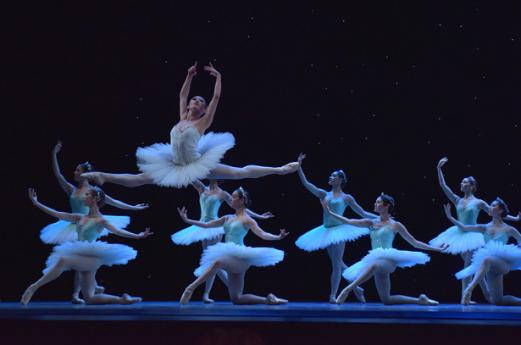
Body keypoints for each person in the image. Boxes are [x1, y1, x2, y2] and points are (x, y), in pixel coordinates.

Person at [81, 63, 298, 188]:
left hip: (195, 164)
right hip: (174, 164)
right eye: (195, 100)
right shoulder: (181, 118)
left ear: (203, 110)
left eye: (200, 102)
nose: (196, 101)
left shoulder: (203, 121)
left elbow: (216, 97)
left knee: (238, 173)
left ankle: (279, 170)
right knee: (142, 178)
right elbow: (182, 94)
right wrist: (189, 75)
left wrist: (219, 77)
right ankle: (103, 176)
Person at [21, 188, 153, 305]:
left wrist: (137, 235)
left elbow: (118, 231)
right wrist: (36, 203)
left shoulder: (101, 221)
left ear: (95, 199)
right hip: (84, 258)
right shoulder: (79, 217)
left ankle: (33, 287)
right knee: (89, 299)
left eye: (87, 195)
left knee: (63, 260)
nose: (84, 197)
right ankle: (122, 299)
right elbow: (56, 213)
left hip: (92, 258)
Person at [325, 194, 445, 305]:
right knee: (386, 299)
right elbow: (349, 221)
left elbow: (414, 242)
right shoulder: (371, 222)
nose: (375, 204)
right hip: (375, 259)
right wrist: (330, 213)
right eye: (375, 202)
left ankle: (348, 289)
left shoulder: (395, 225)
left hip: (389, 260)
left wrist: (436, 249)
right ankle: (420, 300)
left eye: (378, 202)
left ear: (386, 206)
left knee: (375, 265)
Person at [430, 157, 519, 303]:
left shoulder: (479, 202)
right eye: (462, 182)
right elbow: (443, 186)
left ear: (472, 186)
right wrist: (438, 169)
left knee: (469, 264)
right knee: (473, 264)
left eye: (465, 182)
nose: (462, 183)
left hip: (472, 234)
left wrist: (513, 219)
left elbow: (496, 212)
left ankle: (465, 296)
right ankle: (488, 295)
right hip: (459, 234)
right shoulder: (457, 200)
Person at [177, 187, 288, 305]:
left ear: (242, 200)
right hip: (230, 257)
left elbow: (263, 234)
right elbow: (206, 225)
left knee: (217, 262)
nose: (231, 199)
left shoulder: (247, 220)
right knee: (237, 298)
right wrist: (188, 220)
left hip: (240, 257)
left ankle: (190, 288)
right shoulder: (227, 217)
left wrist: (278, 237)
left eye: (234, 197)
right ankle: (268, 299)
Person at [295, 153, 374, 303]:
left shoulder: (346, 198)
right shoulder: (323, 194)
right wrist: (299, 167)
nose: (330, 177)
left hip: (339, 230)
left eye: (333, 176)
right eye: (330, 176)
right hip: (326, 230)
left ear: (340, 180)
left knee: (336, 264)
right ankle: (357, 287)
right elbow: (306, 183)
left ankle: (333, 295)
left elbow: (362, 212)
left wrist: (377, 218)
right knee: (338, 262)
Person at [444, 200, 521, 305]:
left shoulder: (509, 229)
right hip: (491, 267)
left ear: (500, 210)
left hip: (503, 263)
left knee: (486, 259)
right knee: (497, 300)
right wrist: (450, 217)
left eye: (493, 205)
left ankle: (469, 289)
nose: (490, 206)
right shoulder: (484, 227)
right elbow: (464, 227)